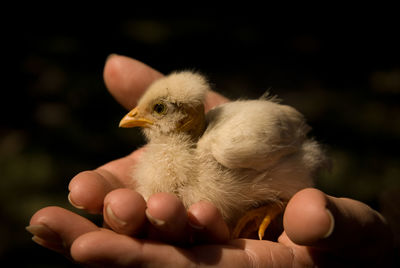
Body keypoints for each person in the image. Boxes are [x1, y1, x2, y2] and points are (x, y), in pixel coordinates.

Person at [27, 55, 393, 267]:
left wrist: (275, 205)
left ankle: (277, 206)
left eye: (156, 110)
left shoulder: (232, 144)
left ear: (186, 115)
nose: (134, 116)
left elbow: (299, 134)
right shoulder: (163, 160)